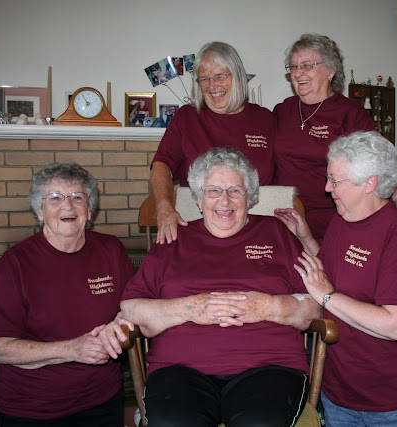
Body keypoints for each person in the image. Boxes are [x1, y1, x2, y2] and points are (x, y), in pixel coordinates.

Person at [113, 147, 320, 426]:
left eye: (235, 190)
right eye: (213, 191)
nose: (224, 201)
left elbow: (315, 305)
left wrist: (269, 307)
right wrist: (189, 308)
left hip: (270, 367)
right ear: (198, 199)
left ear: (249, 197)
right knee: (176, 421)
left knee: (260, 422)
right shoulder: (172, 240)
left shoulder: (277, 233)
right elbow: (131, 309)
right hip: (180, 371)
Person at [276, 131, 397, 427]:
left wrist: (327, 297)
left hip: (392, 402)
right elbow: (333, 271)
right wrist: (305, 237)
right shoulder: (343, 218)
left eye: (335, 180)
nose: (327, 188)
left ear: (369, 183)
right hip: (340, 393)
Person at [0, 162, 134, 426]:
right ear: (38, 212)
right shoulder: (15, 263)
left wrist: (118, 330)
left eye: (77, 197)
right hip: (33, 408)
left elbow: (133, 310)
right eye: (54, 198)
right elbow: (0, 349)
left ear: (90, 209)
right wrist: (72, 349)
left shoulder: (111, 250)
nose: (67, 205)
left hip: (102, 399)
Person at [273, 34, 397, 242]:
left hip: (334, 220)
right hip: (287, 218)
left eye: (307, 65)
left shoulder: (350, 114)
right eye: (294, 66)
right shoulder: (282, 110)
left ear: (331, 70)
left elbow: (376, 163)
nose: (298, 72)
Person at [150, 41, 275, 244]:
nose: (212, 85)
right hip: (200, 231)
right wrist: (164, 208)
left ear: (237, 76)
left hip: (257, 232)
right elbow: (161, 165)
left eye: (220, 76)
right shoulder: (187, 117)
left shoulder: (266, 119)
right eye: (204, 79)